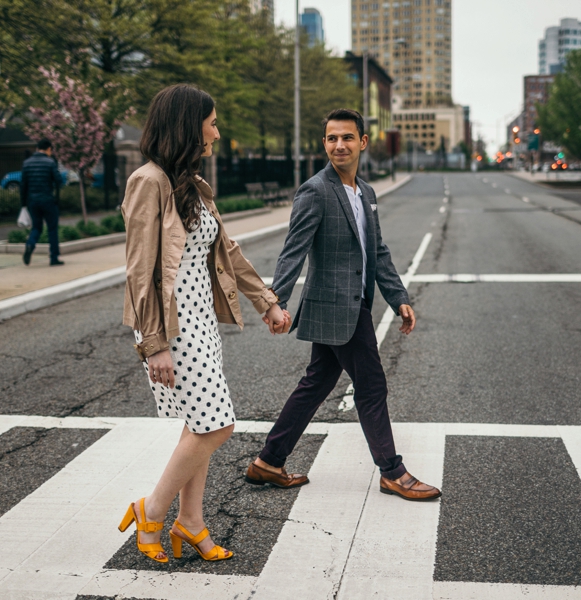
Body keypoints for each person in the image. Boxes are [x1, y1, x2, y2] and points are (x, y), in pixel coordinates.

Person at [117, 84, 291, 564]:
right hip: (170, 327)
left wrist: (266, 301)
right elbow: (139, 272)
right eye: (212, 122)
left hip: (200, 320)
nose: (217, 131)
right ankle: (150, 511)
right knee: (218, 427)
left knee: (200, 424)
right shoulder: (147, 182)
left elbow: (226, 251)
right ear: (188, 126)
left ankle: (190, 523)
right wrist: (154, 345)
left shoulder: (191, 184)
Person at [245, 108, 441, 502]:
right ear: (324, 144)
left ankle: (269, 460)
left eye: (347, 137)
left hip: (355, 304)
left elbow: (377, 251)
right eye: (332, 138)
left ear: (362, 142)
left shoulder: (365, 193)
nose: (339, 145)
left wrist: (398, 297)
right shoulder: (316, 190)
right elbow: (293, 251)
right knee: (371, 387)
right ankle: (392, 472)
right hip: (334, 306)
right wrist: (275, 301)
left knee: (317, 382)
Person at [21, 138, 64, 266]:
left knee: (36, 227)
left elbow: (23, 185)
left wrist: (23, 203)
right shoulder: (50, 162)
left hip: (33, 201)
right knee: (52, 228)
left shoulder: (27, 163)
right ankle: (54, 257)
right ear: (49, 149)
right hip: (48, 200)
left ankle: (30, 244)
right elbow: (59, 180)